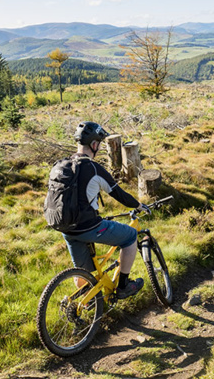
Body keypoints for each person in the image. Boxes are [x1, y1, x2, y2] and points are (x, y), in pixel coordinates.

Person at [62, 121, 149, 299]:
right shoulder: (93, 168)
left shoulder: (62, 165)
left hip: (65, 228)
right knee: (131, 236)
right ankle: (124, 286)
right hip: (88, 227)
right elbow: (119, 194)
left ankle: (86, 303)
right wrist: (138, 205)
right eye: (99, 145)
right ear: (94, 145)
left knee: (82, 270)